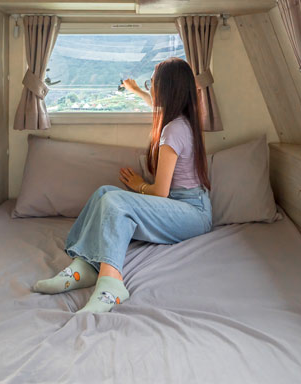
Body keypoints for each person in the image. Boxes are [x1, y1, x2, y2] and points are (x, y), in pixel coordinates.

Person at [32, 57, 212, 313]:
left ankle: (112, 282)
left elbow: (161, 192)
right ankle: (84, 266)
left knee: (115, 202)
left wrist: (139, 185)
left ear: (167, 89)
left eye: (152, 84)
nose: (151, 88)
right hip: (187, 206)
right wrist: (137, 90)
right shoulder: (183, 120)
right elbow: (155, 105)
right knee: (104, 193)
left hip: (193, 212)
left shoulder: (173, 130)